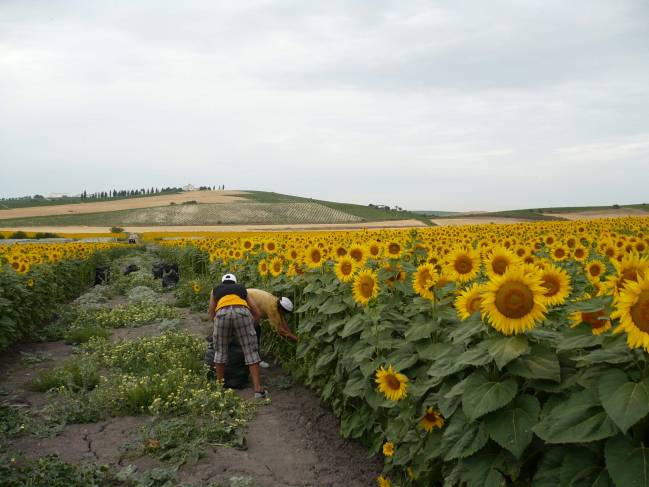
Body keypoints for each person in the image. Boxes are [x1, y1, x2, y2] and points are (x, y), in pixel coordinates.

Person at [208, 273, 267, 399]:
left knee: (220, 352)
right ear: (235, 282)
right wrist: (252, 326)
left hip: (222, 314)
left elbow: (211, 311)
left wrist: (218, 327)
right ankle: (258, 390)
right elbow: (256, 312)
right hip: (242, 312)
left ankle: (220, 388)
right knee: (251, 352)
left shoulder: (215, 290)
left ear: (222, 282)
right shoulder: (242, 289)